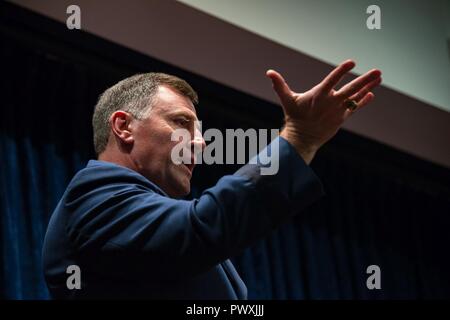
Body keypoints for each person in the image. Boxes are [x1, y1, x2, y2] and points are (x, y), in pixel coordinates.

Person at [42, 60, 381, 299]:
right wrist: (300, 138)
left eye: (200, 131)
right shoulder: (94, 197)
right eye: (181, 122)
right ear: (123, 126)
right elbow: (202, 228)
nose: (201, 142)